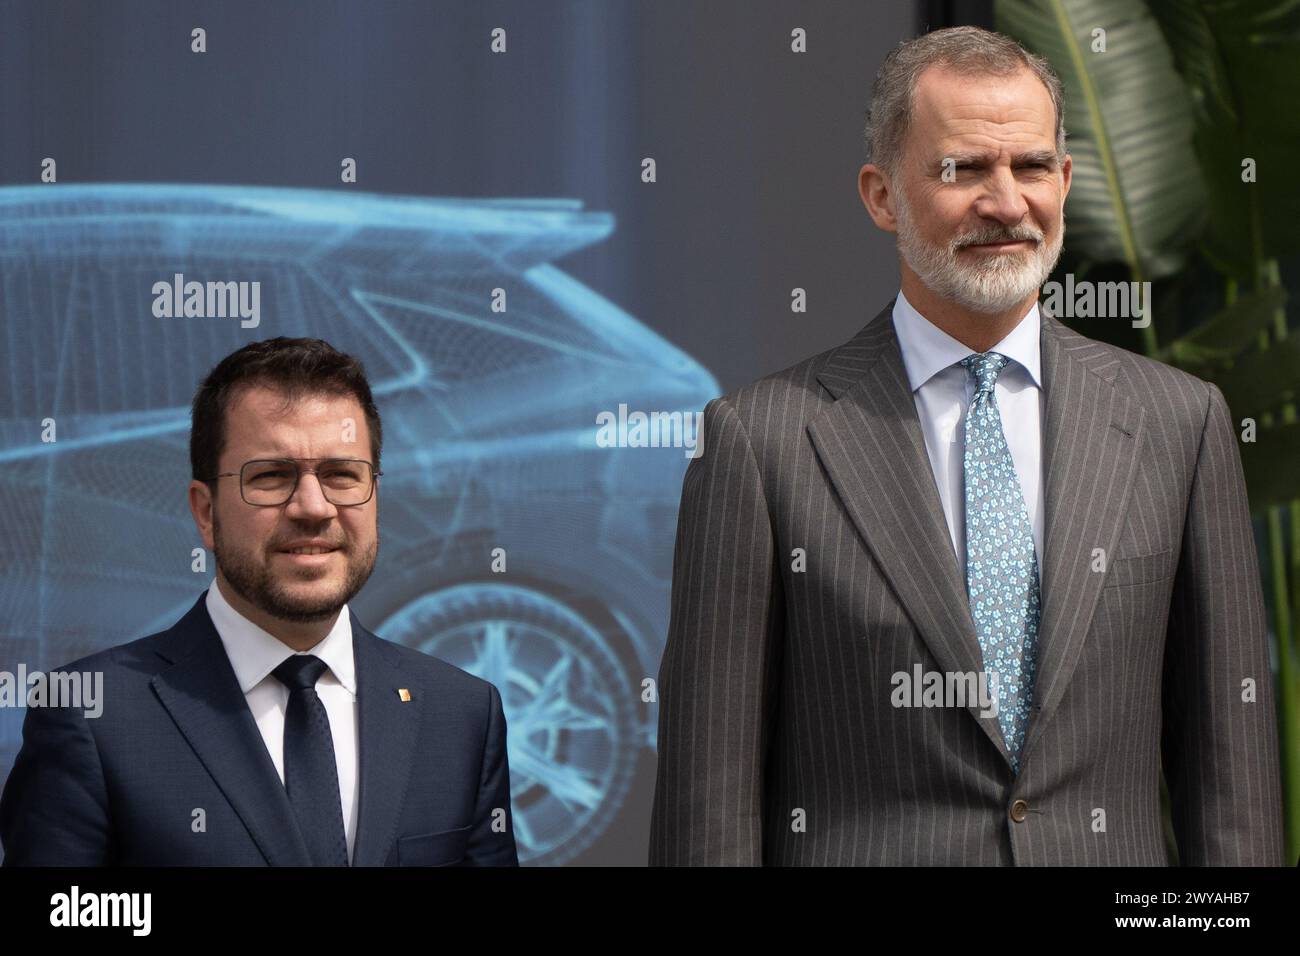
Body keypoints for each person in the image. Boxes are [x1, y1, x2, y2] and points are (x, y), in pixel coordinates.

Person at [648, 26, 1284, 865]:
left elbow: (1230, 786)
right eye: (963, 169)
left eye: (1029, 166)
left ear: (1065, 180)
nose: (1006, 202)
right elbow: (709, 806)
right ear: (882, 196)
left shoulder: (1181, 423)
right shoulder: (762, 442)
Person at [0, 337, 518, 866]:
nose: (314, 508)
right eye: (271, 477)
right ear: (206, 513)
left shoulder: (463, 715)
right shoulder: (94, 718)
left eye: (342, 475)